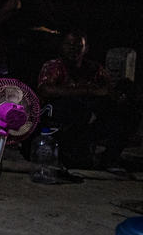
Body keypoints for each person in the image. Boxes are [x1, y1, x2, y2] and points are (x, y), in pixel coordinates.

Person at [37, 31, 140, 170]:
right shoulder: (54, 66)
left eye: (78, 46)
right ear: (61, 46)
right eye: (69, 44)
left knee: (129, 112)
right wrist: (90, 91)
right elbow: (45, 90)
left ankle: (108, 158)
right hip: (56, 121)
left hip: (85, 118)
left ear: (86, 49)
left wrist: (121, 96)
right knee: (75, 108)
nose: (73, 49)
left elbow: (109, 90)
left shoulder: (95, 69)